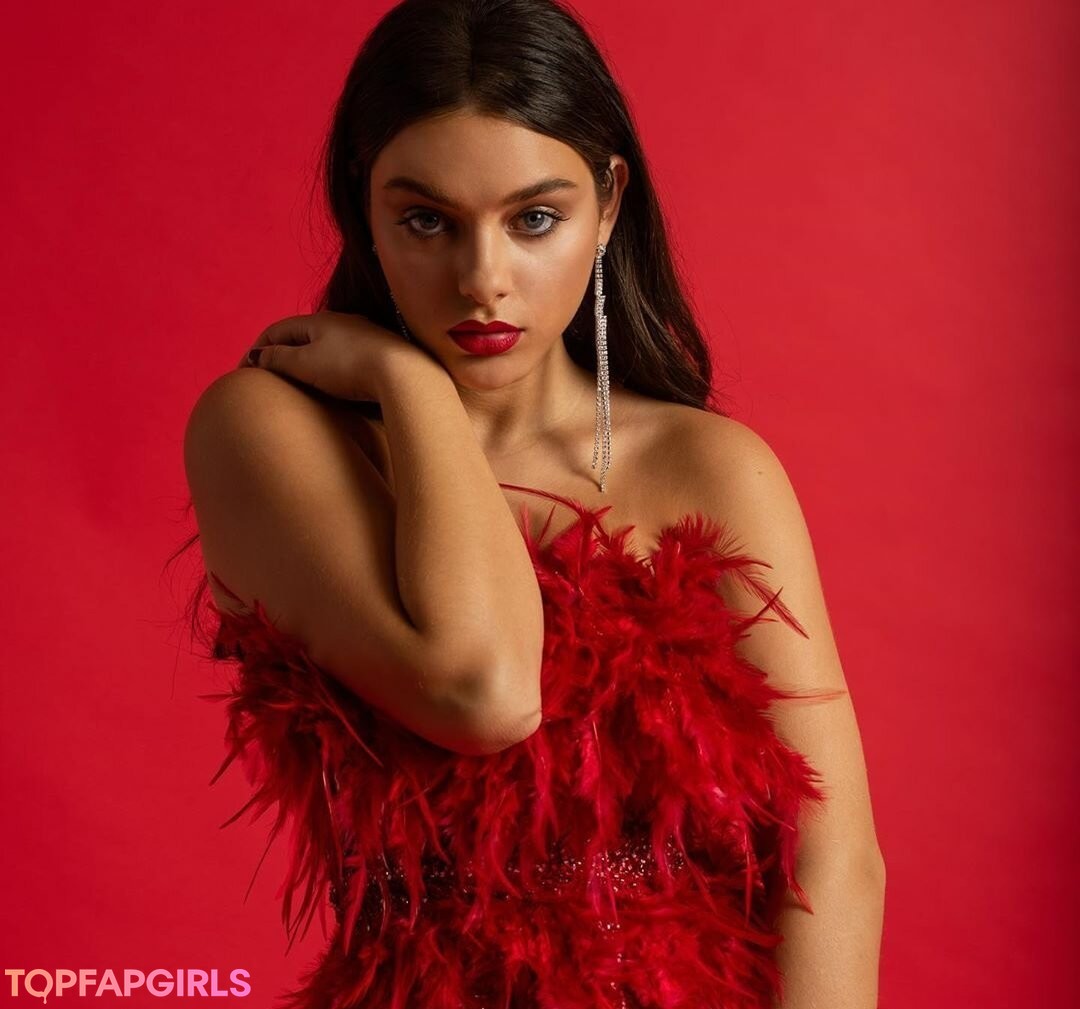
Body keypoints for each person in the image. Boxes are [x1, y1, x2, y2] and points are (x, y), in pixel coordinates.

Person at [175, 0, 885, 1005]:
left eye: (534, 219)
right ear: (363, 208)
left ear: (608, 205)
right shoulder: (271, 435)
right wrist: (415, 391)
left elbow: (833, 856)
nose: (483, 281)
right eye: (426, 220)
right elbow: (486, 690)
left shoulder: (713, 469)